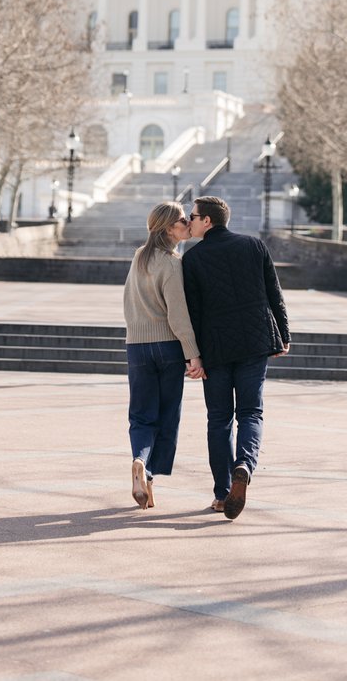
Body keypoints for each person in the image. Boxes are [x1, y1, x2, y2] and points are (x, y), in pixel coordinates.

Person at [182, 195, 290, 520]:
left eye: (193, 216)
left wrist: (192, 355)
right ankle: (244, 464)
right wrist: (283, 335)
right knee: (251, 413)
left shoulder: (193, 258)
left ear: (208, 221)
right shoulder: (254, 246)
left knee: (218, 420)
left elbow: (192, 311)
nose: (189, 221)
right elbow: (274, 292)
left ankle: (221, 492)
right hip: (255, 340)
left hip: (215, 348)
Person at [122, 201, 204, 509]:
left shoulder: (138, 258)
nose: (188, 224)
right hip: (167, 347)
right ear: (169, 228)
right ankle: (151, 472)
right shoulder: (171, 263)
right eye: (183, 221)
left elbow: (128, 304)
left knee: (141, 415)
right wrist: (192, 354)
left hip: (136, 346)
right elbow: (178, 315)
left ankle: (140, 462)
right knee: (168, 416)